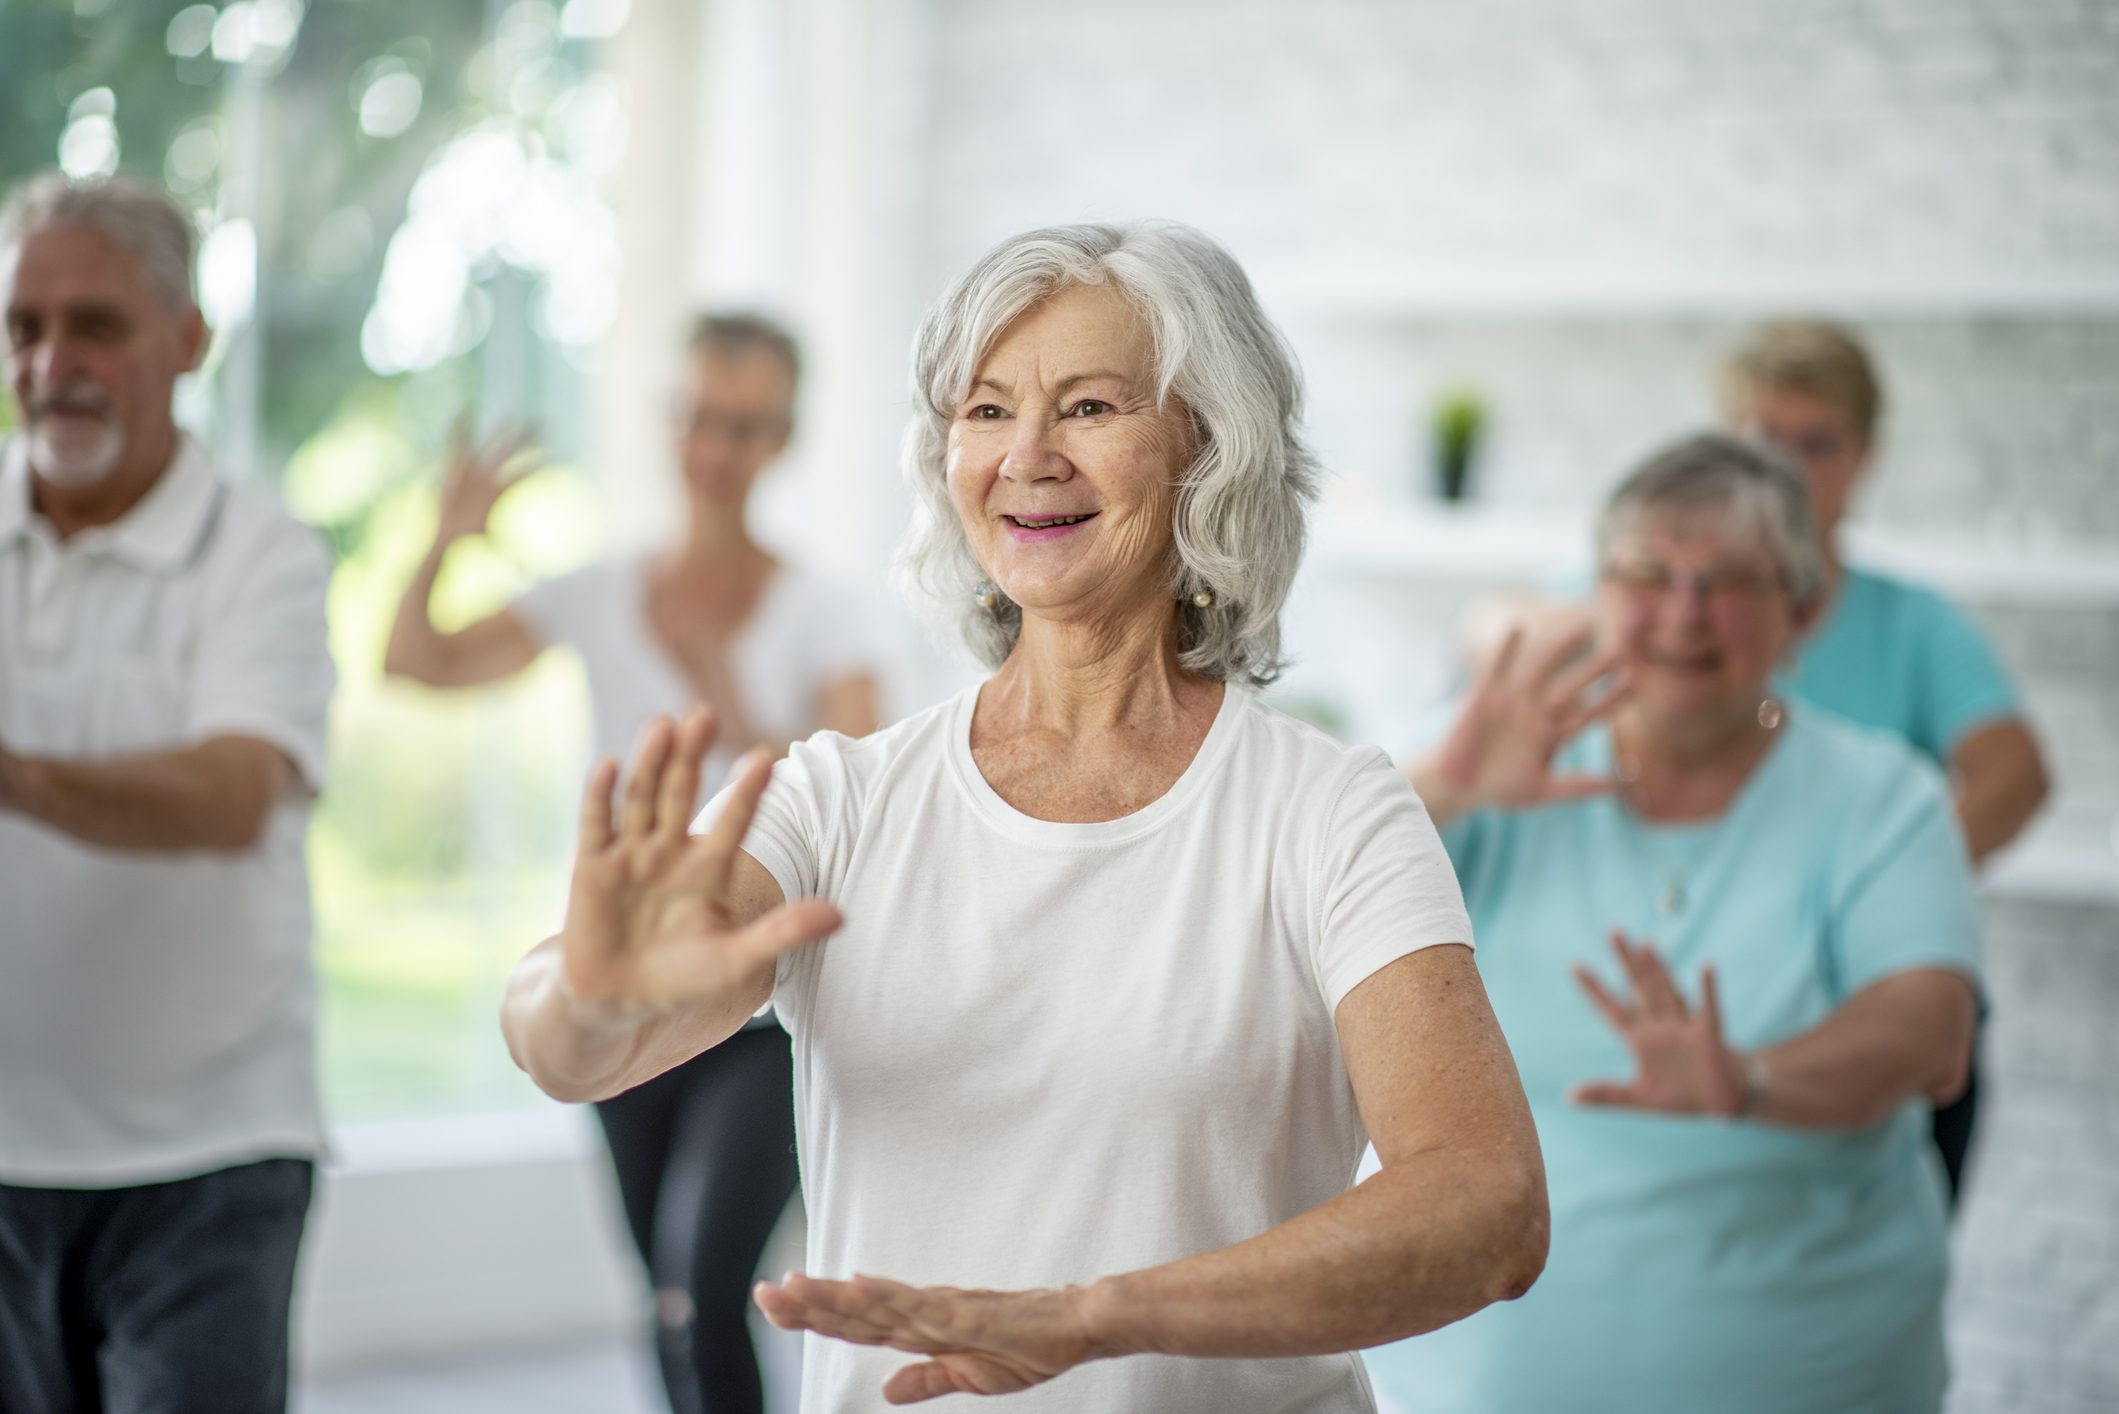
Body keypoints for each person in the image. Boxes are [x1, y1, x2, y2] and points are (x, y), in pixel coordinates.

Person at [501, 221, 1549, 1412]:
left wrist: (1095, 1318)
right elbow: (565, 1044)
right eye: (986, 411)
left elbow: (1488, 1204)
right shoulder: (840, 798)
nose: (1027, 456)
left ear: (1207, 442)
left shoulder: (1330, 810)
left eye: (1091, 406)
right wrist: (587, 991)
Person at [1367, 433, 1981, 1414]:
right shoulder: (1487, 763)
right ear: (1594, 590)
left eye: (1729, 580)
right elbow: (1279, 907)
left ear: (1803, 610)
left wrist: (1748, 1080)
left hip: (1810, 1368)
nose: (1685, 613)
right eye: (1648, 573)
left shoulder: (1883, 798)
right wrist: (1447, 785)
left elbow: (1930, 1032)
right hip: (1471, 1375)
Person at [385, 312, 879, 1414]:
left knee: (708, 1286)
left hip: (762, 1007)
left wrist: (735, 699)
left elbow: (870, 797)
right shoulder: (596, 590)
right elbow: (413, 660)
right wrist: (447, 534)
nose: (715, 450)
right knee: (661, 1296)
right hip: (620, 981)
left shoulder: (824, 612)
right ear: (668, 422)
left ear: (782, 438)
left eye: (743, 427)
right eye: (699, 418)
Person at [0, 172, 334, 1413]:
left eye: (94, 325)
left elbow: (235, 791)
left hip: (210, 1157)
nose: (50, 364)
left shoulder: (263, 551)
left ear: (187, 338)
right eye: (23, 327)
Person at [1719, 318, 2046, 1201]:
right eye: (1759, 440)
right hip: (1717, 1031)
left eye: (1815, 444)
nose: (1784, 469)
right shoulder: (1664, 612)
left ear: (1863, 457)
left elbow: (2014, 773)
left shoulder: (1914, 624)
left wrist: (1894, 878)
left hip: (1883, 1027)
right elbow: (1514, 631)